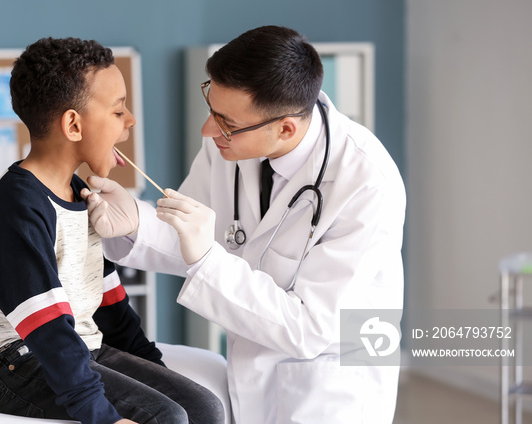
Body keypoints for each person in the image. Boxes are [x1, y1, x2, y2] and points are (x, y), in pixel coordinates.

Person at [81, 26, 406, 423]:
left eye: (225, 122)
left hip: (332, 380)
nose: (207, 130)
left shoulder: (366, 181)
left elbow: (311, 328)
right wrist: (135, 220)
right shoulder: (230, 138)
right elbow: (191, 230)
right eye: (211, 108)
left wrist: (206, 257)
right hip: (252, 367)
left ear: (285, 128)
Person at [0, 37, 224, 424]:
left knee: (204, 408)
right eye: (118, 111)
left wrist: (159, 377)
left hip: (78, 347)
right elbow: (45, 327)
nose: (130, 121)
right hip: (6, 363)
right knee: (167, 417)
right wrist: (101, 416)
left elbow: (110, 309)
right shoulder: (19, 201)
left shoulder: (84, 195)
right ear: (74, 125)